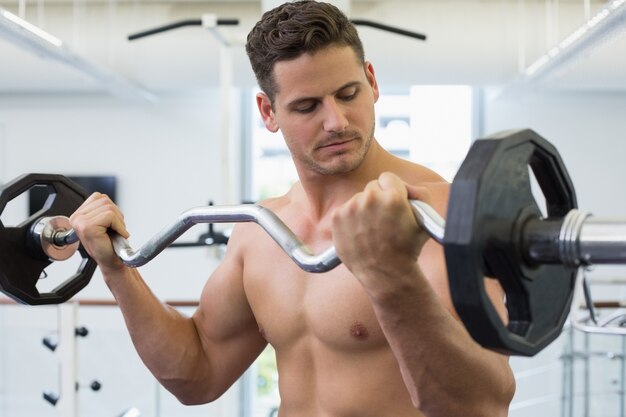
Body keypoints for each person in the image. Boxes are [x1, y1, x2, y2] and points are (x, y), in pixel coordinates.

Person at [70, 1, 516, 416]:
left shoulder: (441, 214)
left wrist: (392, 276)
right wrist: (117, 271)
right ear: (268, 112)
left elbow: (481, 405)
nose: (336, 121)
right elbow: (197, 375)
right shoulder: (261, 230)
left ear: (373, 82)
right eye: (307, 106)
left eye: (348, 93)